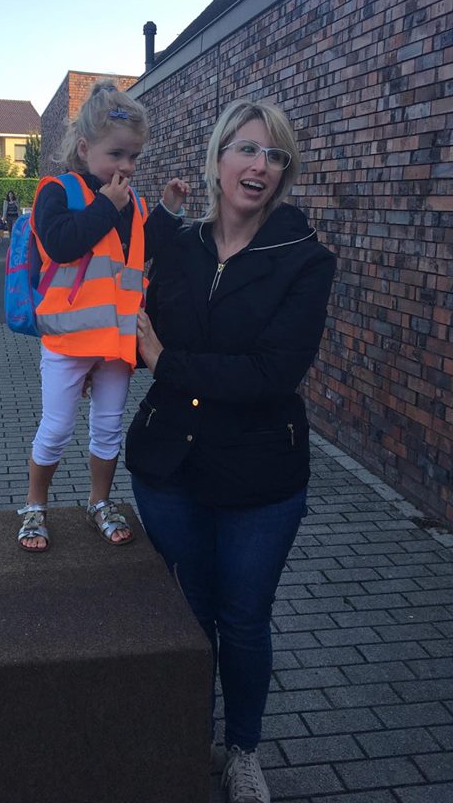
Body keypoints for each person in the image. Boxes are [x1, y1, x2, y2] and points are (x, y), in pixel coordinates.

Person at [126, 99, 336, 803]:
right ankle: (190, 738)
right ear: (218, 159)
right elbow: (133, 323)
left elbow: (272, 373)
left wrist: (166, 362)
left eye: (275, 156)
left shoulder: (304, 260)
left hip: (259, 477)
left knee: (243, 620)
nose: (260, 165)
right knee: (190, 613)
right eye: (247, 148)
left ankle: (242, 749)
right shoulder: (178, 247)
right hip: (170, 467)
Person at [17, 80, 190, 553]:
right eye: (116, 154)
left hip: (115, 341)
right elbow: (62, 244)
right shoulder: (57, 191)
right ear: (83, 148)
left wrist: (167, 212)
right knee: (56, 428)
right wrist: (105, 206)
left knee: (108, 428)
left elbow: (139, 252)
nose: (127, 166)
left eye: (134, 156)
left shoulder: (130, 201)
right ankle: (34, 505)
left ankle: (100, 501)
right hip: (68, 340)